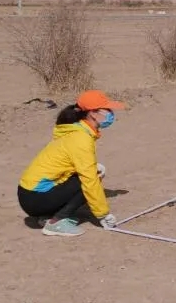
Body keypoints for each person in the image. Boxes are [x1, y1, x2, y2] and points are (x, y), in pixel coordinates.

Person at [17, 90, 125, 237]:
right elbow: (89, 180)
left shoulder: (76, 130)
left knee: (93, 171)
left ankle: (47, 216)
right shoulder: (81, 138)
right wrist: (103, 215)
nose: (111, 113)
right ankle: (56, 222)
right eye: (106, 110)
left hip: (28, 194)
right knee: (92, 177)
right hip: (35, 198)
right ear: (93, 113)